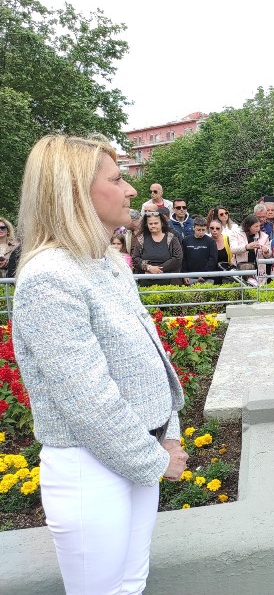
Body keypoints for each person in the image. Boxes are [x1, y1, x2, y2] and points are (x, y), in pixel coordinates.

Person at [12, 135, 187, 594]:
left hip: (138, 454)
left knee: (132, 583)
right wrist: (155, 460)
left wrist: (167, 434)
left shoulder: (108, 261)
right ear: (73, 192)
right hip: (90, 470)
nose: (131, 189)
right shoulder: (49, 277)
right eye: (116, 179)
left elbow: (151, 358)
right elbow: (86, 400)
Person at [131, 210, 183, 286]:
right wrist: (149, 268)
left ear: (162, 223)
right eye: (150, 224)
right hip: (146, 281)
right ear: (146, 225)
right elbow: (135, 258)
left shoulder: (172, 238)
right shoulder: (141, 239)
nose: (153, 226)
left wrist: (158, 269)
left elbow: (178, 258)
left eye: (156, 223)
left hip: (169, 282)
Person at [231, 214, 269, 285]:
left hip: (258, 270)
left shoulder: (264, 236)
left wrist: (266, 251)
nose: (258, 228)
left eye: (259, 226)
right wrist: (246, 247)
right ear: (248, 226)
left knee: (258, 289)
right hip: (241, 269)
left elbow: (269, 255)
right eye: (256, 226)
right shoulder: (236, 233)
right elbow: (233, 249)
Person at [181, 216, 217, 284]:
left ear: (206, 229)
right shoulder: (186, 240)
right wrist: (184, 274)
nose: (201, 232)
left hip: (207, 277)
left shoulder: (211, 241)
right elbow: (183, 258)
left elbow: (213, 259)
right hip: (190, 276)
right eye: (198, 230)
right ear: (193, 228)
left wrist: (204, 275)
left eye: (203, 230)